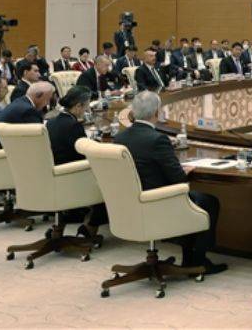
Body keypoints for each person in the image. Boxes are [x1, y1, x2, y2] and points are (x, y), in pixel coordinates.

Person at [114, 92, 226, 274]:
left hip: (130, 205)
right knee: (208, 202)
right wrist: (183, 171)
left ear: (133, 113)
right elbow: (178, 179)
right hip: (158, 202)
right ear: (157, 113)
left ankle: (189, 258)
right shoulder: (158, 140)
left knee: (196, 199)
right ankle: (198, 260)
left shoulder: (120, 138)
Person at [46, 86, 109, 237]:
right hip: (73, 176)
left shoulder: (51, 122)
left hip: (54, 175)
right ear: (78, 106)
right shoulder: (73, 126)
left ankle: (62, 223)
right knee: (108, 179)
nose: (87, 109)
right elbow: (84, 153)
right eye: (86, 106)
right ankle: (90, 227)